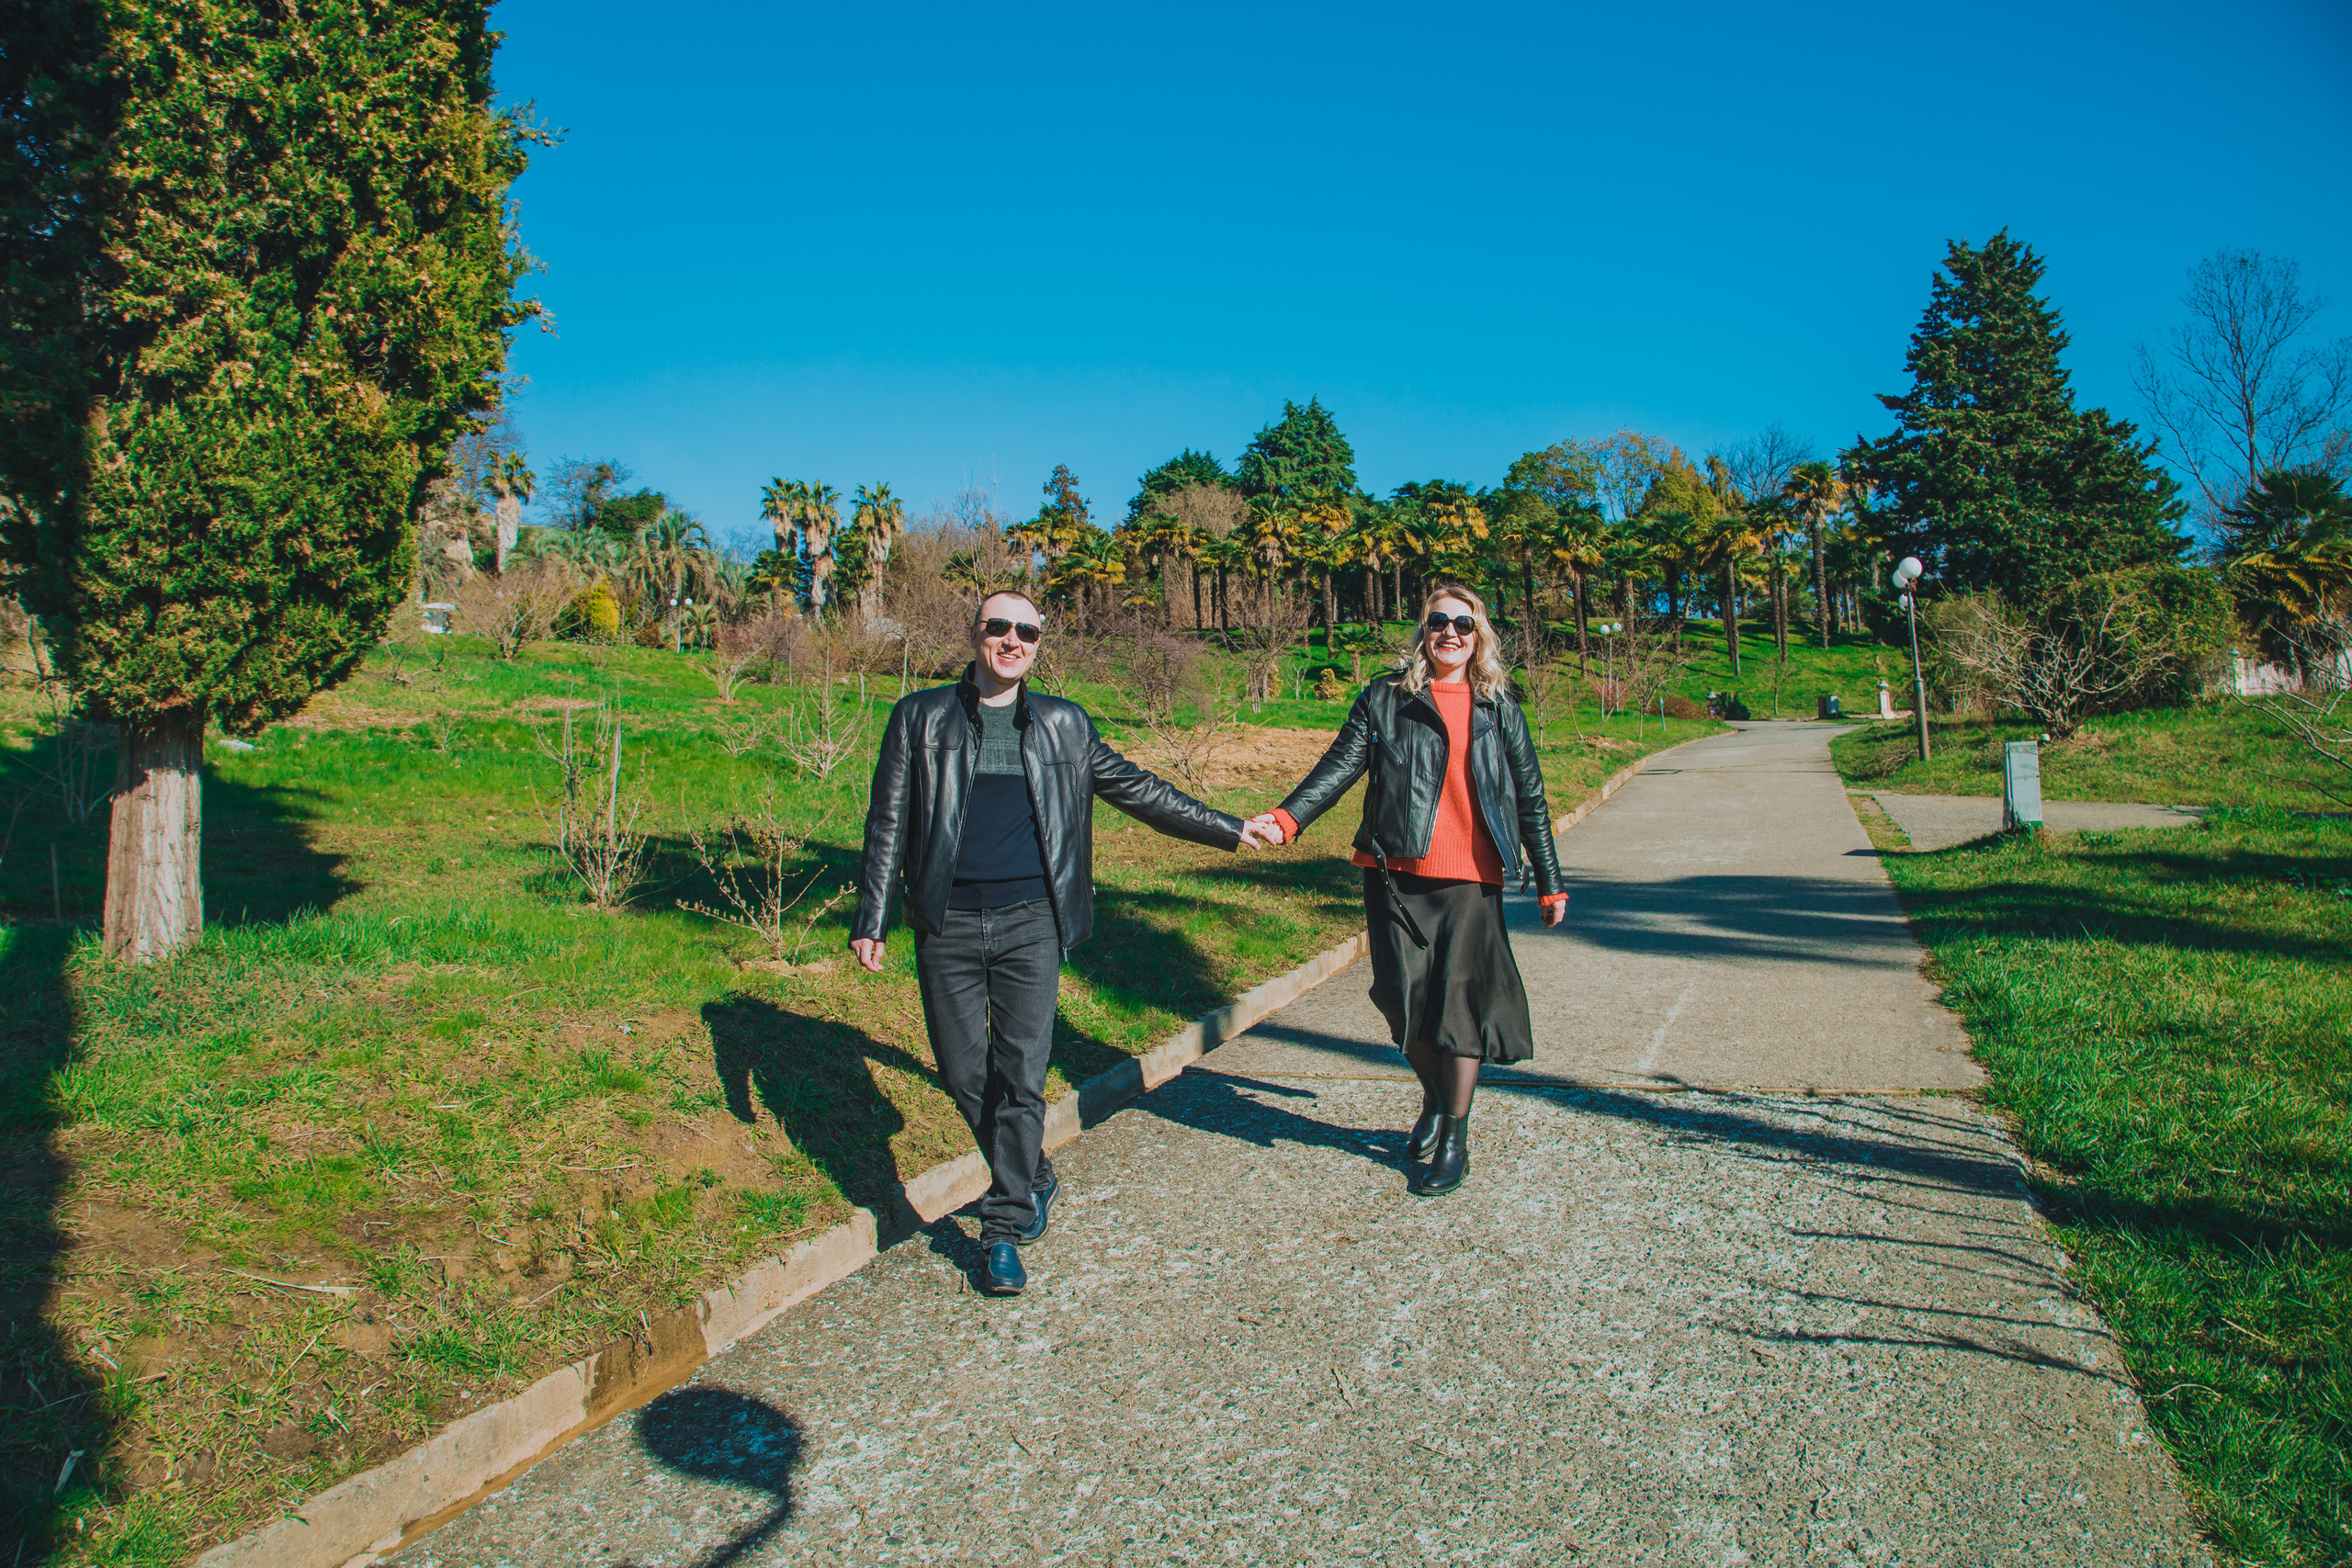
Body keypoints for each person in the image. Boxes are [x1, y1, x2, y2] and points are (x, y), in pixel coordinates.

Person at [853, 590, 1276, 1295]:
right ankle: (1034, 1171)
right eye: (999, 627)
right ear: (974, 635)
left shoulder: (1064, 726)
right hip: (946, 925)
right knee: (963, 1074)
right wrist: (873, 915)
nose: (1013, 640)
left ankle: (1004, 1225)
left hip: (1031, 922)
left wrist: (1229, 827)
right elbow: (886, 820)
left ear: (1039, 645)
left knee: (1021, 1075)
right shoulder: (918, 718)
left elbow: (1141, 791)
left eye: (1028, 631)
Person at [1249, 584, 1566, 1196]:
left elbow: (1530, 795)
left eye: (1464, 623)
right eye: (1439, 621)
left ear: (1480, 636)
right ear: (1423, 631)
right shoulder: (1384, 699)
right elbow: (1339, 765)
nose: (1451, 632)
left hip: (1473, 876)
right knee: (1397, 999)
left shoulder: (1500, 707)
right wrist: (1289, 817)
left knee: (1458, 1006)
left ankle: (1454, 1132)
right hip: (1394, 871)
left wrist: (1551, 881)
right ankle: (1437, 1093)